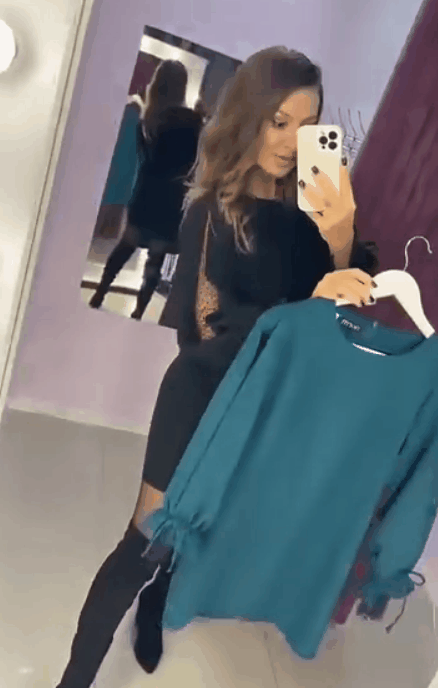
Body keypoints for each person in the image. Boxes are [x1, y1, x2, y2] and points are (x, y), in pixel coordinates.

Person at [55, 46, 379, 688]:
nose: (290, 141)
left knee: (200, 527)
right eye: (278, 121)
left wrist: (342, 238)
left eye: (306, 124)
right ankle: (74, 678)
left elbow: (345, 307)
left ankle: (156, 607)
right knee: (140, 542)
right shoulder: (211, 210)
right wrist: (311, 300)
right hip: (203, 394)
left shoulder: (313, 210)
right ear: (250, 115)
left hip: (271, 403)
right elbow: (209, 334)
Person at [89, 60, 203, 320]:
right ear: (182, 86)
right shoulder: (192, 121)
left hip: (146, 193)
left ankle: (100, 292)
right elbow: (195, 162)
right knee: (155, 260)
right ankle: (139, 311)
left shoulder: (148, 117)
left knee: (125, 246)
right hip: (172, 198)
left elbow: (146, 158)